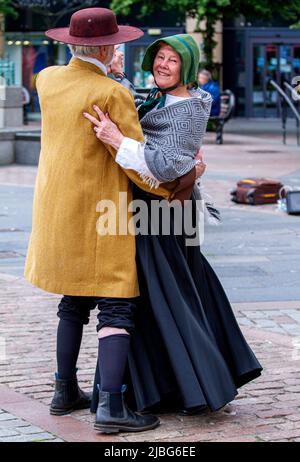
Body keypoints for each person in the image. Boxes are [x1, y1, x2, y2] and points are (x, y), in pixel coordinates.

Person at [24, 8, 200, 435]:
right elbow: (139, 167)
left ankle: (64, 391)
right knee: (117, 306)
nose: (120, 49)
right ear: (105, 47)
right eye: (116, 44)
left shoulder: (46, 80)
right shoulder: (111, 94)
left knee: (73, 301)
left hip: (57, 211)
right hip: (104, 215)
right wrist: (181, 183)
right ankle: (111, 407)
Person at [85, 34, 263, 416]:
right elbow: (140, 111)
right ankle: (158, 387)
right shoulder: (158, 96)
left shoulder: (191, 108)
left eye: (172, 60)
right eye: (158, 58)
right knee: (160, 293)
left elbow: (166, 164)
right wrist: (117, 76)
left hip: (166, 211)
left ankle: (187, 386)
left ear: (188, 66)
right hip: (151, 206)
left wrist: (119, 141)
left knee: (165, 294)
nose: (162, 65)